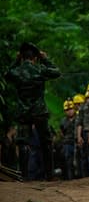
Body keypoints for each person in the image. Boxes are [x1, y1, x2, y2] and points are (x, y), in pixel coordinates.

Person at [6, 42, 61, 180]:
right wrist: (44, 59)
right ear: (35, 58)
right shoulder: (40, 70)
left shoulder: (16, 72)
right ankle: (49, 176)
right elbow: (57, 72)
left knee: (23, 142)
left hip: (24, 113)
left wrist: (16, 60)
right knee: (46, 142)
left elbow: (7, 74)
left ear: (22, 57)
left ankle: (24, 177)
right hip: (39, 112)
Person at [60, 100, 76, 180]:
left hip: (77, 142)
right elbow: (62, 132)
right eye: (67, 110)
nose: (69, 111)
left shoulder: (79, 118)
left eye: (71, 109)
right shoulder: (63, 121)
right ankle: (70, 178)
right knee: (68, 161)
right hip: (68, 143)